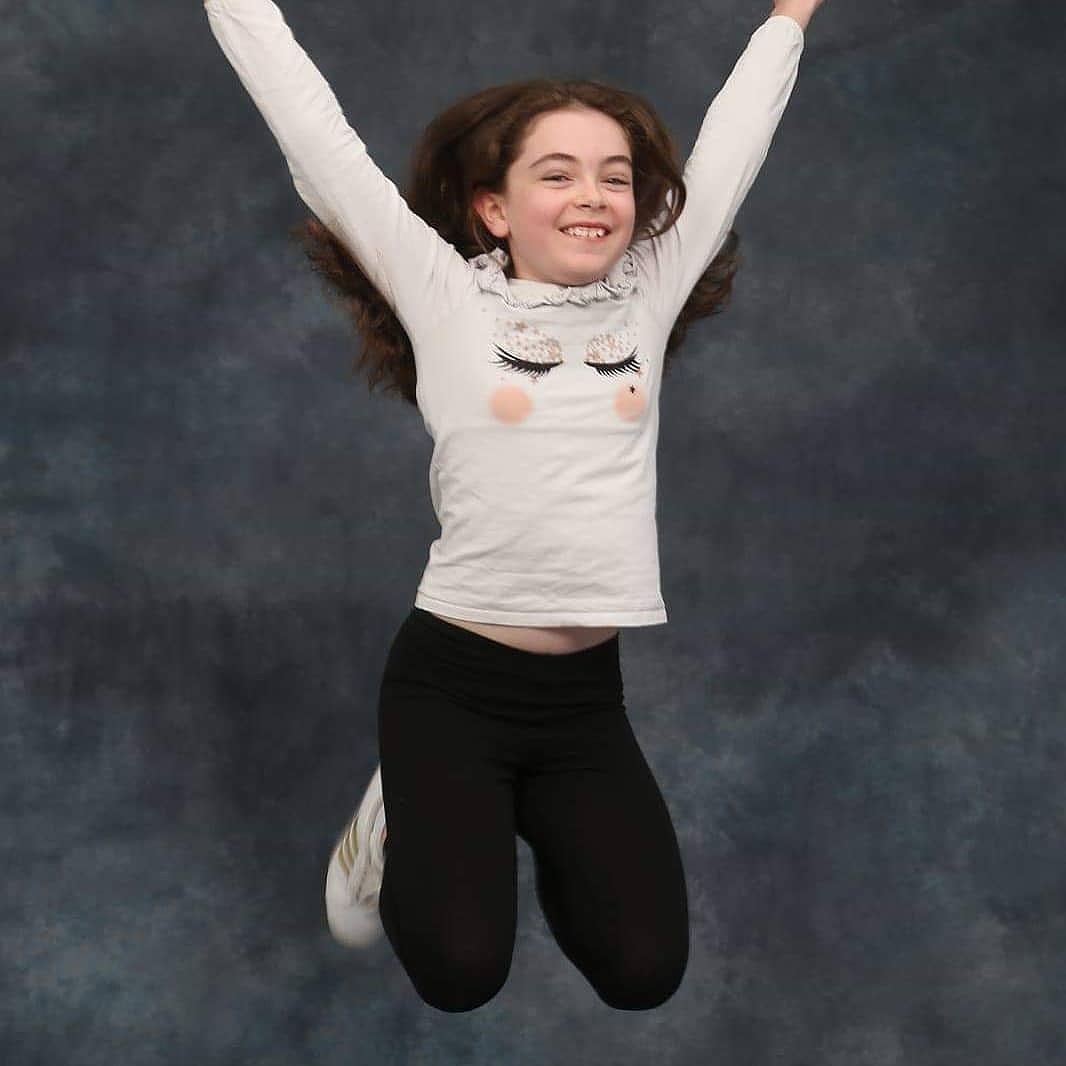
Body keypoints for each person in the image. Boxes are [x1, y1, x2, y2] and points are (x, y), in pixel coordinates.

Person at [204, 0, 822, 1013]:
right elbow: (314, 136)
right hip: (452, 687)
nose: (594, 196)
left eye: (615, 177)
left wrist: (790, 15)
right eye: (558, 173)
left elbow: (736, 140)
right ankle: (398, 815)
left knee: (643, 972)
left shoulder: (648, 290)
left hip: (583, 702)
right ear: (494, 209)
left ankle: (469, 818)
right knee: (460, 971)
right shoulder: (446, 295)